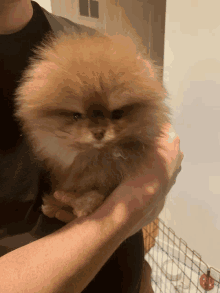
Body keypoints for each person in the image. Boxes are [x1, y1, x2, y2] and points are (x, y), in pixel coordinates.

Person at [0, 1, 183, 292]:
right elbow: (144, 192)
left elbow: (160, 146)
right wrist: (133, 200)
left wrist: (143, 278)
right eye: (75, 116)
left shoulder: (84, 38)